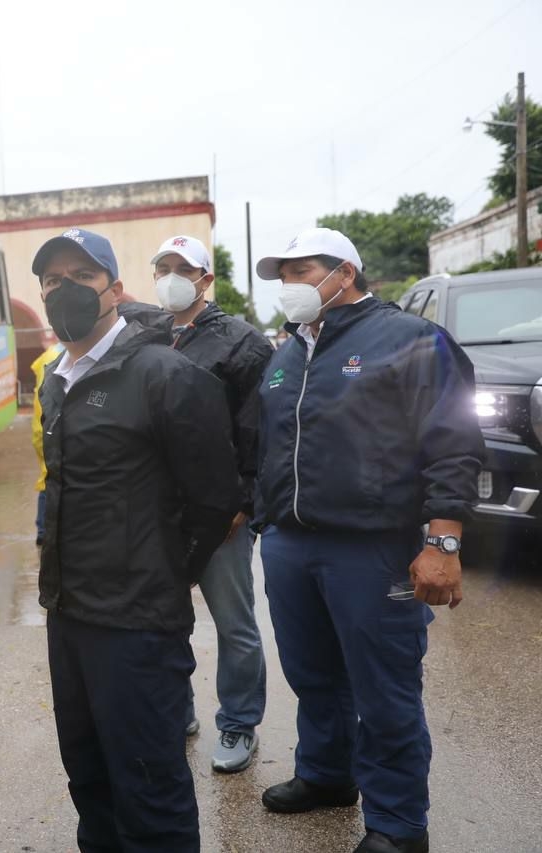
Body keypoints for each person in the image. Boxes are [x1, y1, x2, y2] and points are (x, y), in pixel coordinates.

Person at [253, 228, 485, 853]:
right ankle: (328, 776)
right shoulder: (289, 353)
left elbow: (454, 443)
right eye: (282, 275)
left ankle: (400, 823)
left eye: (300, 272)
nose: (289, 286)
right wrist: (263, 519)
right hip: (292, 544)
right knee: (313, 675)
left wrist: (443, 543)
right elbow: (267, 445)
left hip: (372, 546)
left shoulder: (409, 340)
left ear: (344, 272)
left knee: (384, 688)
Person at [34, 228, 242, 852]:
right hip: (69, 615)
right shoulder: (56, 379)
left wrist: (163, 569)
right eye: (51, 281)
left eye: (80, 277)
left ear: (115, 291)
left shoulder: (165, 375)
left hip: (137, 623)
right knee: (89, 776)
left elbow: (214, 500)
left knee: (149, 787)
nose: (63, 291)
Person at [151, 235, 271, 773]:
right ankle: (178, 713)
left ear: (206, 279)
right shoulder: (143, 336)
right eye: (164, 267)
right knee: (165, 618)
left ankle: (239, 723)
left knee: (233, 621)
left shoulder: (242, 343)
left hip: (221, 512)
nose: (172, 276)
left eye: (184, 268)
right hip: (159, 511)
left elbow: (258, 432)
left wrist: (242, 503)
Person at [29, 337, 63, 546]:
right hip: (50, 426)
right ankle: (45, 529)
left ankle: (42, 529)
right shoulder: (60, 358)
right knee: (51, 478)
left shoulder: (47, 355)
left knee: (46, 476)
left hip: (40, 427)